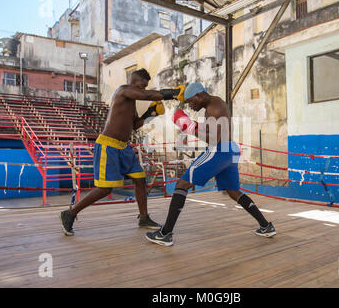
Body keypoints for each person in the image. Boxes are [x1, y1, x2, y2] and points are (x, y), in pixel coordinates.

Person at [145, 82, 276, 246]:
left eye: (191, 102)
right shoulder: (215, 104)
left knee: (182, 184)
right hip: (230, 150)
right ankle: (266, 226)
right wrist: (191, 124)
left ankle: (165, 233)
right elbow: (209, 131)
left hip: (219, 151)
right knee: (234, 191)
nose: (191, 106)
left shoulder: (214, 107)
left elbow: (214, 138)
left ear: (199, 95)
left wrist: (188, 126)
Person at [59, 68, 185, 236]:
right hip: (108, 146)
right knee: (105, 189)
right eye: (142, 86)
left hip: (124, 147)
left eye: (145, 86)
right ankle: (70, 213)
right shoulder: (123, 90)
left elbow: (134, 125)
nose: (144, 89)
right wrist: (174, 92)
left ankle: (144, 217)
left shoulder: (131, 103)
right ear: (133, 82)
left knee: (140, 180)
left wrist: (150, 113)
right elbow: (147, 95)